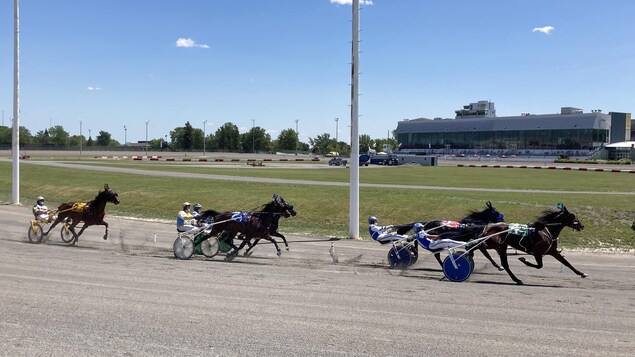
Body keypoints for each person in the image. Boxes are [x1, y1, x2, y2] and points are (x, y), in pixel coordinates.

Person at [411, 222, 476, 251]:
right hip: (432, 245)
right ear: (418, 228)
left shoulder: (420, 233)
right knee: (447, 241)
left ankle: (466, 245)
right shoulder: (420, 234)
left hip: (432, 244)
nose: (422, 228)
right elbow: (429, 236)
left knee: (449, 241)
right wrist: (438, 236)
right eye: (421, 227)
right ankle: (466, 245)